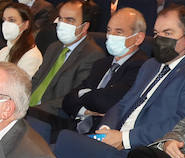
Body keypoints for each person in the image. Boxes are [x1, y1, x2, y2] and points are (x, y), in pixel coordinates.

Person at [94, 5, 185, 151]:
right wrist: (106, 129)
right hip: (116, 140)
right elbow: (124, 103)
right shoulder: (151, 64)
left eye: (167, 33)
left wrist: (124, 139)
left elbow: (184, 123)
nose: (160, 39)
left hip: (146, 151)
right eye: (156, 33)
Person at [55, 7, 149, 136]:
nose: (111, 36)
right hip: (75, 128)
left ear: (138, 38)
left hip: (104, 135)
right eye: (109, 31)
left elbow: (106, 103)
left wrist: (82, 95)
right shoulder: (102, 63)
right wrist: (86, 110)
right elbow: (68, 100)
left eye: (119, 32)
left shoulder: (143, 66)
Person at [26, 0, 105, 114]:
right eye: (61, 19)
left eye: (70, 20)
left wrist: (35, 111)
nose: (62, 24)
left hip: (52, 115)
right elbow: (37, 80)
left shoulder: (93, 55)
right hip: (28, 108)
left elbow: (72, 98)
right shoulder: (54, 47)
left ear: (84, 27)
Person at [0, 2, 43, 77]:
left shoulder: (32, 56)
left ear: (26, 24)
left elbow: (22, 87)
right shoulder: (1, 52)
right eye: (4, 20)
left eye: (11, 20)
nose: (6, 24)